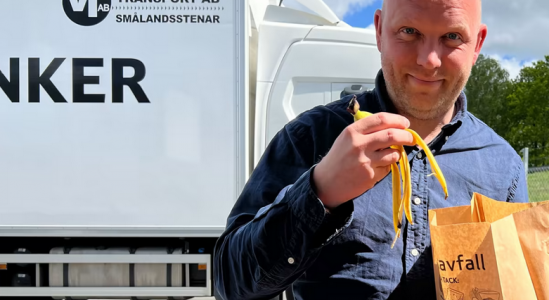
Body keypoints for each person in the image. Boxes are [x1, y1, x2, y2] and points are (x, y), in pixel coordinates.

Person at [212, 0, 528, 299]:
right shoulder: (309, 137)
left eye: (452, 36)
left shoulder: (503, 167)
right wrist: (319, 193)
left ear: (477, 45)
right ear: (378, 31)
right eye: (409, 32)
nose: (428, 60)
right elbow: (230, 283)